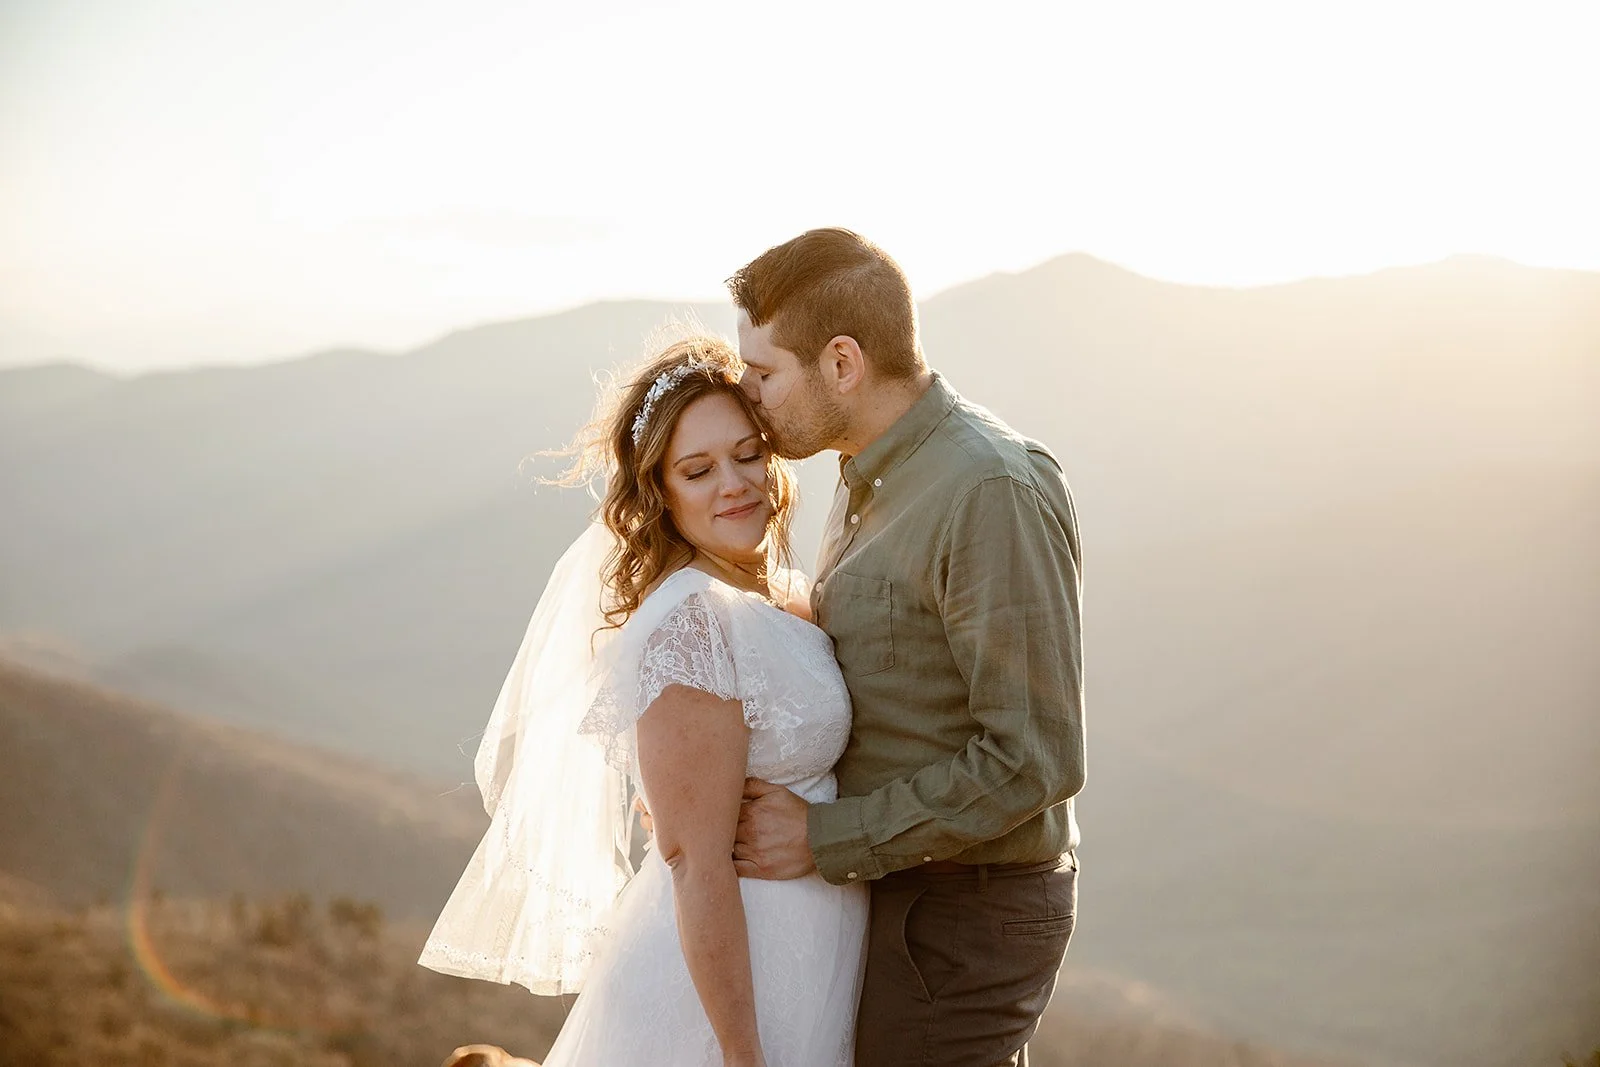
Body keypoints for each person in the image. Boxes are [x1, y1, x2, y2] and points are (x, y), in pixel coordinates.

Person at [419, 335, 868, 1066]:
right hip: (725, 1002)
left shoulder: (780, 596)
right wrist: (741, 1052)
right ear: (660, 490)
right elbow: (695, 862)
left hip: (810, 953)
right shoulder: (691, 622)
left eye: (747, 453)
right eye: (698, 470)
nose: (734, 483)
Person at [727, 228, 1086, 1067]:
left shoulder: (987, 489)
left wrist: (827, 836)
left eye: (765, 371)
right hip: (900, 896)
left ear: (843, 363)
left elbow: (1034, 757)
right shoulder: (867, 474)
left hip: (964, 915)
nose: (748, 393)